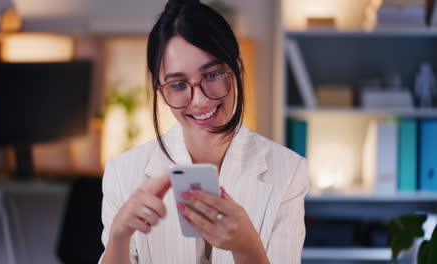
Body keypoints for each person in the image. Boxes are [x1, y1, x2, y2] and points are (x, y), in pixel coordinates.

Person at [99, 0, 309, 263]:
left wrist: (247, 247)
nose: (198, 101)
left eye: (211, 75)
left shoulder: (288, 171)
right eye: (177, 84)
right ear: (160, 91)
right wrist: (120, 235)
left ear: (238, 68)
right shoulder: (122, 172)